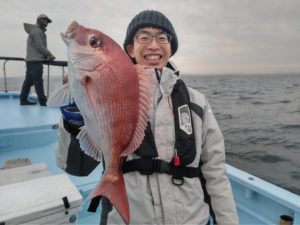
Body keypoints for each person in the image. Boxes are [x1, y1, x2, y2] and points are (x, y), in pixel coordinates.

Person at [57, 10, 239, 225]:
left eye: (162, 38)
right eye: (144, 37)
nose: (154, 45)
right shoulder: (107, 90)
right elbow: (77, 168)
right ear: (131, 49)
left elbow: (215, 172)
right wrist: (74, 122)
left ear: (170, 49)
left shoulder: (197, 101)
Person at [20, 14, 56, 106]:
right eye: (44, 20)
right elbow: (39, 46)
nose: (46, 23)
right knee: (38, 82)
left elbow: (38, 48)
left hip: (31, 60)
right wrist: (49, 54)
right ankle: (43, 101)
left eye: (47, 22)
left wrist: (45, 56)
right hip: (35, 61)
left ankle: (23, 100)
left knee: (28, 81)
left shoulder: (37, 31)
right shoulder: (36, 31)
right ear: (38, 20)